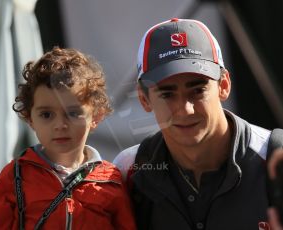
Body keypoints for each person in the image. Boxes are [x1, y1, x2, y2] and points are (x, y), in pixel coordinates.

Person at [113, 18, 283, 230]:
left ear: (224, 85)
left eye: (197, 90)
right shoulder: (128, 171)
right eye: (167, 94)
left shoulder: (276, 159)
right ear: (144, 99)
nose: (185, 109)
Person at [0, 47, 136, 229]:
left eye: (73, 113)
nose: (60, 124)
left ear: (96, 117)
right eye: (46, 114)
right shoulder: (14, 176)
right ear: (30, 118)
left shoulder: (111, 179)